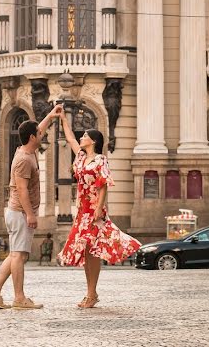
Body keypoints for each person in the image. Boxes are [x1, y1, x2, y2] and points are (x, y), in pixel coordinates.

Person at [0, 104, 61, 310]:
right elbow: (22, 190)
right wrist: (30, 215)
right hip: (19, 213)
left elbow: (39, 128)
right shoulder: (24, 160)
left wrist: (51, 116)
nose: (41, 135)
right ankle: (19, 298)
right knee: (19, 256)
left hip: (18, 212)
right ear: (32, 138)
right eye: (38, 134)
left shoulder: (26, 149)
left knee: (15, 254)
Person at [58, 118, 141, 309]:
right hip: (82, 210)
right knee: (88, 251)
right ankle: (91, 293)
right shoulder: (80, 157)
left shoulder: (100, 159)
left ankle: (91, 293)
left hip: (94, 209)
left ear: (93, 141)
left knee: (93, 249)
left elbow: (103, 185)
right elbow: (70, 138)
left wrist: (98, 208)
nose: (82, 137)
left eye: (85, 135)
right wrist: (62, 118)